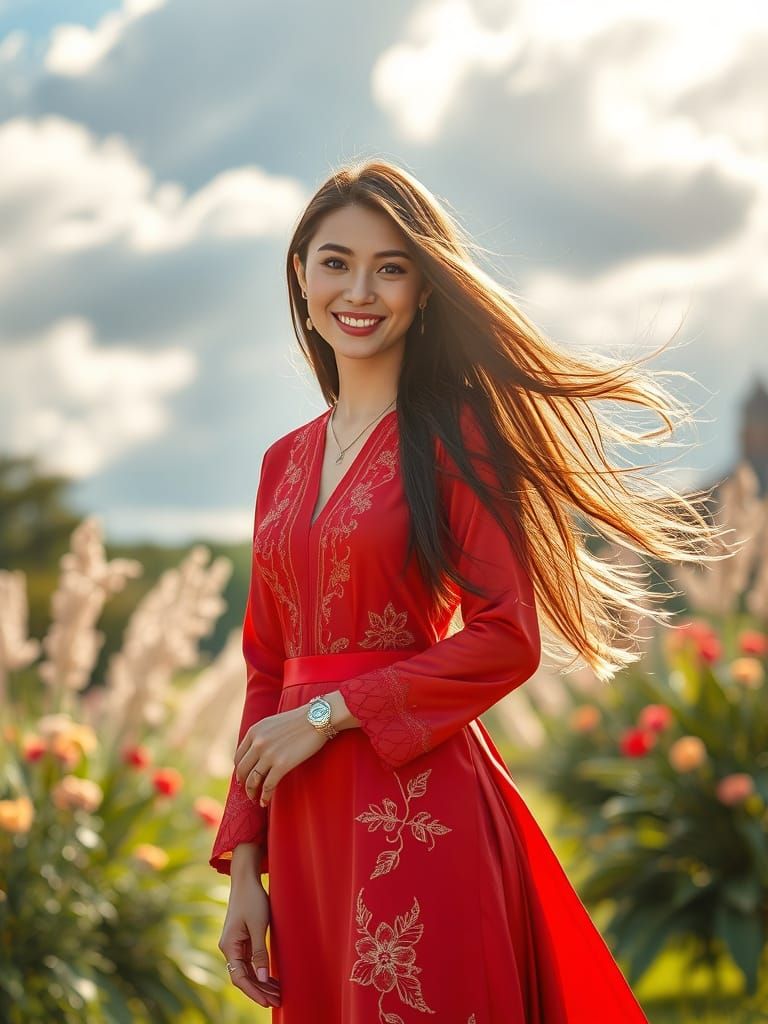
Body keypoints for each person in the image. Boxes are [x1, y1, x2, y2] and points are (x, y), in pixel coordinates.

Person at [210, 158, 727, 1021]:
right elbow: (268, 663)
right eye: (335, 261)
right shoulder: (280, 463)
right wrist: (246, 872)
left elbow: (506, 636)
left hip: (418, 807)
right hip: (304, 832)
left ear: (422, 291)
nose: (360, 289)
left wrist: (324, 716)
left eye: (391, 266)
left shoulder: (460, 440)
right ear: (300, 276)